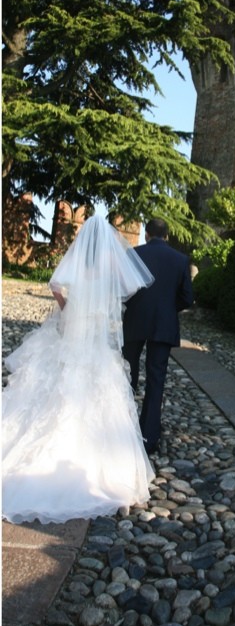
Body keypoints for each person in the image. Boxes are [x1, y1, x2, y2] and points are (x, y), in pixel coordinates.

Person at [2, 214, 156, 524]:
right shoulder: (112, 267)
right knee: (100, 389)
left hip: (74, 329)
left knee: (60, 379)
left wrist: (68, 307)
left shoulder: (76, 264)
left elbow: (54, 284)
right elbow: (130, 289)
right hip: (97, 336)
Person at [122, 218, 193, 454]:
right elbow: (187, 297)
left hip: (135, 321)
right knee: (156, 380)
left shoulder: (132, 254)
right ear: (167, 236)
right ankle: (149, 438)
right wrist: (168, 308)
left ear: (146, 234)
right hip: (164, 324)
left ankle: (121, 427)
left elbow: (123, 289)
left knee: (126, 374)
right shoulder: (180, 259)